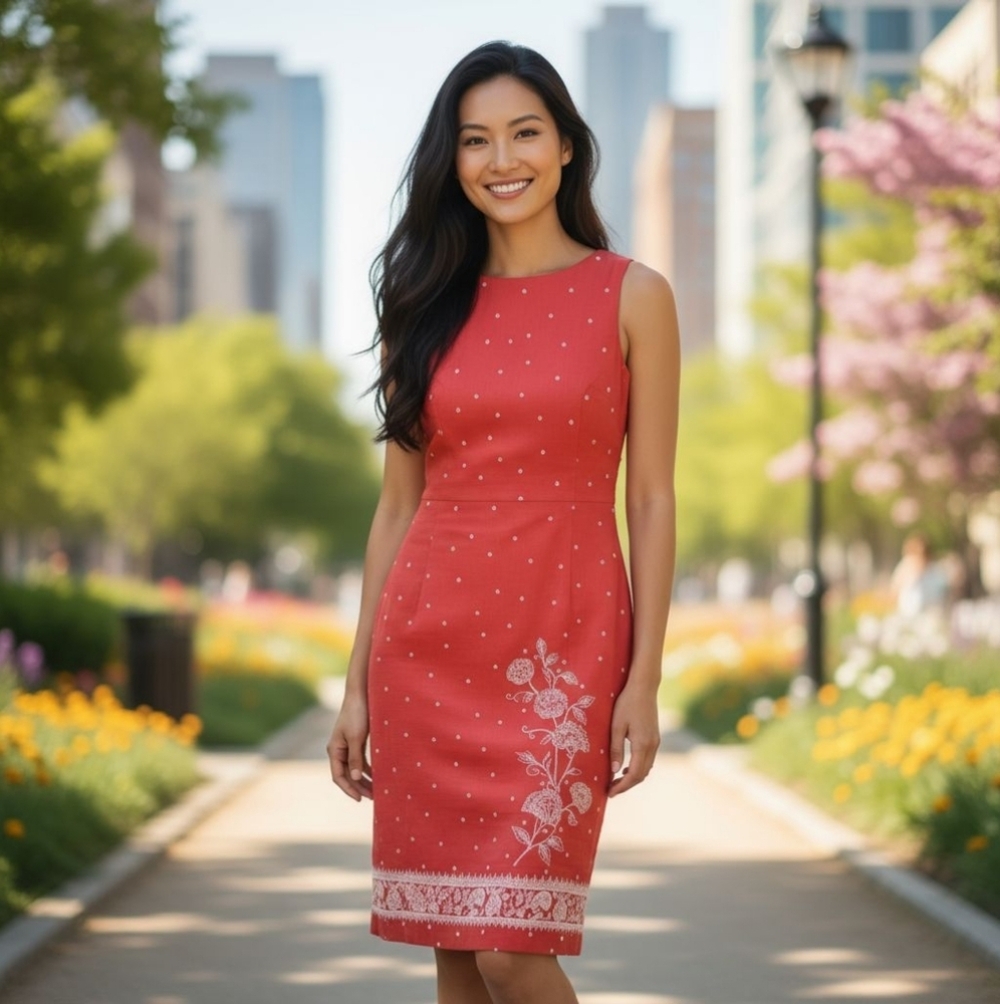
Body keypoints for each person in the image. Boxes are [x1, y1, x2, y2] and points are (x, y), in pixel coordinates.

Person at [327, 41, 680, 1004]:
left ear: (566, 146)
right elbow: (396, 504)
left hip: (561, 645)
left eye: (525, 132)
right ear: (454, 160)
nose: (501, 158)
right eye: (475, 140)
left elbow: (649, 498)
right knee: (455, 944)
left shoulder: (634, 295)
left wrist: (643, 680)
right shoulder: (420, 303)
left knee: (511, 947)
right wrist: (356, 685)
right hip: (426, 648)